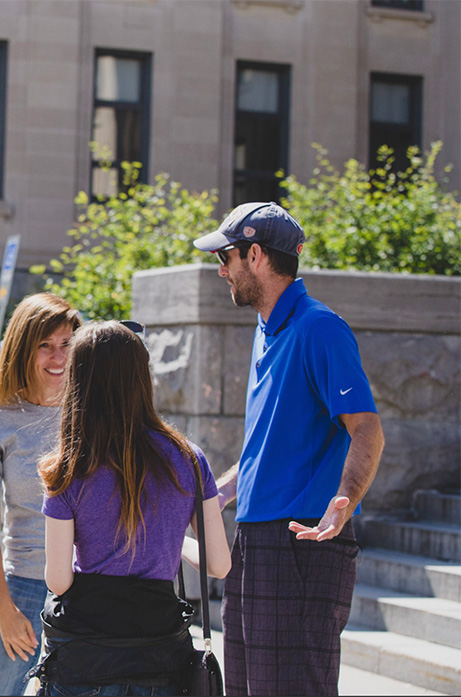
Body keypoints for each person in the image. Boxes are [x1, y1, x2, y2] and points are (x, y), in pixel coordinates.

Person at [193, 201, 384, 696]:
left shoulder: (319, 328)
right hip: (254, 543)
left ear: (255, 256)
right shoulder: (267, 328)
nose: (221, 270)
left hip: (302, 544)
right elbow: (265, 450)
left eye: (227, 257)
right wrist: (213, 498)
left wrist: (343, 505)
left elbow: (366, 429)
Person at [32, 320, 232, 696]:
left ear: (79, 381)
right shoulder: (189, 458)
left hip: (86, 656)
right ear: (142, 376)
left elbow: (58, 580)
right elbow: (219, 565)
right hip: (159, 656)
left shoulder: (67, 467)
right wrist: (175, 543)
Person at [0, 292, 82, 696]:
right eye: (45, 345)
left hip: (92, 588)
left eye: (66, 344)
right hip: (24, 587)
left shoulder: (92, 412)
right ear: (23, 349)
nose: (58, 357)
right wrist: (4, 608)